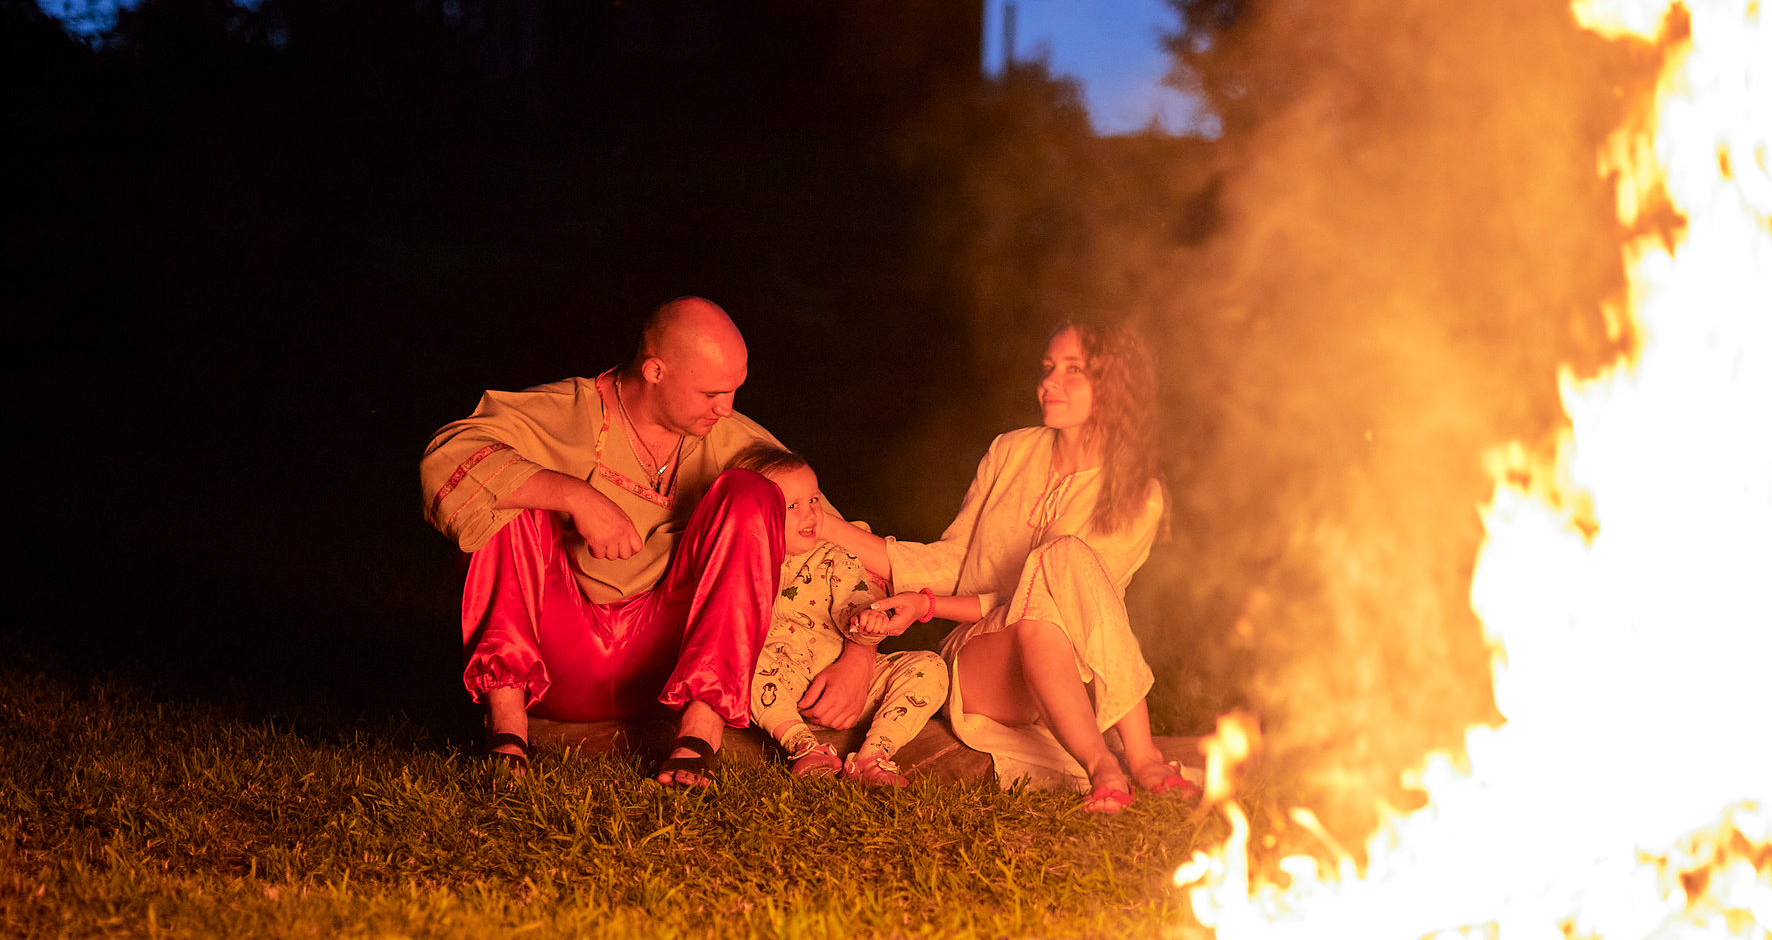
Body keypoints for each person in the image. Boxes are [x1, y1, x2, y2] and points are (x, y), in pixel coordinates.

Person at [420, 297, 861, 789]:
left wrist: (859, 655)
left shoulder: (725, 433)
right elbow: (445, 459)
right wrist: (574, 495)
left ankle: (699, 735)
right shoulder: (566, 410)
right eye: (712, 393)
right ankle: (506, 732)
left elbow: (834, 539)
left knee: (754, 491)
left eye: (735, 390)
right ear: (655, 370)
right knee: (503, 494)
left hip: (667, 668)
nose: (728, 408)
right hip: (556, 659)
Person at [841, 319, 1198, 812]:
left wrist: (929, 605)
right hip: (983, 663)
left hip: (1067, 666)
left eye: (1074, 370)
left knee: (1057, 577)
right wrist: (833, 531)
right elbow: (953, 558)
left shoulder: (1139, 496)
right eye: (1049, 367)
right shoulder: (1009, 451)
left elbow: (1090, 613)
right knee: (1048, 580)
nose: (1049, 381)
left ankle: (1122, 765)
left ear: (1115, 387)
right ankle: (1127, 759)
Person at [739, 446, 949, 785]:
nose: (809, 514)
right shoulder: (746, 561)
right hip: (783, 687)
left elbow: (853, 598)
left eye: (814, 499)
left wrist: (867, 619)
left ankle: (872, 756)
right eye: (792, 506)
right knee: (740, 667)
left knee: (930, 667)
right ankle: (805, 748)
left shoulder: (835, 558)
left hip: (848, 680)